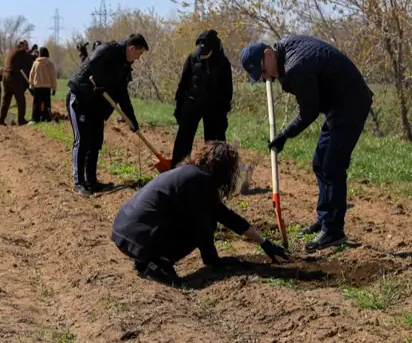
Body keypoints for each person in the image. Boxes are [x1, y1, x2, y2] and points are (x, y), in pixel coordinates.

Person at [240, 35, 374, 252]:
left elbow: (308, 113)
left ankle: (334, 231)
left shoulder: (296, 67)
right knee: (319, 161)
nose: (266, 78)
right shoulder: (286, 51)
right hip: (337, 104)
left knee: (333, 165)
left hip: (351, 103)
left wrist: (284, 135)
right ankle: (324, 219)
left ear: (268, 54)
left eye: (263, 72)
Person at [111, 142, 291, 286]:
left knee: (205, 219)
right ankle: (159, 264)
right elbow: (201, 226)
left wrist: (263, 242)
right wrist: (213, 261)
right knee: (205, 224)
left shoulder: (192, 175)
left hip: (126, 233)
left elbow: (226, 216)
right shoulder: (198, 181)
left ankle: (147, 260)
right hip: (137, 236)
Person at [66, 34, 149, 196]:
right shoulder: (108, 50)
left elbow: (122, 94)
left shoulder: (125, 66)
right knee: (82, 140)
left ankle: (92, 182)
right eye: (138, 54)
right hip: (81, 98)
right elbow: (91, 63)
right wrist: (99, 82)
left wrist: (131, 119)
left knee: (95, 142)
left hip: (97, 105)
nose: (138, 58)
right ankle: (79, 183)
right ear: (131, 48)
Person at [171, 30, 233, 167]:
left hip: (213, 108)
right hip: (192, 103)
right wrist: (179, 108)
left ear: (213, 49)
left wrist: (223, 115)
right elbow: (183, 84)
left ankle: (215, 173)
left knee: (214, 143)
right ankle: (176, 170)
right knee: (183, 140)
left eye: (206, 53)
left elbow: (227, 91)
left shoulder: (223, 63)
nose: (203, 56)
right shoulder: (193, 57)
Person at [0, 40, 36, 126]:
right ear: (23, 45)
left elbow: (24, 56)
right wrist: (36, 56)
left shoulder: (13, 50)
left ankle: (1, 120)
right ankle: (21, 120)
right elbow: (28, 57)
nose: (27, 48)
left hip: (5, 76)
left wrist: (30, 51)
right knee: (21, 99)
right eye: (27, 46)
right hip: (13, 77)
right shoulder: (20, 51)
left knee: (6, 99)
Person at [28, 46, 58, 123]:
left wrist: (31, 85)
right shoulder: (50, 64)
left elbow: (31, 74)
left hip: (37, 87)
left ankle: (35, 119)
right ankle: (47, 118)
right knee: (47, 103)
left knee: (36, 103)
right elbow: (53, 76)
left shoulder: (35, 63)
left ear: (39, 54)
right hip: (47, 87)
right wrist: (54, 88)